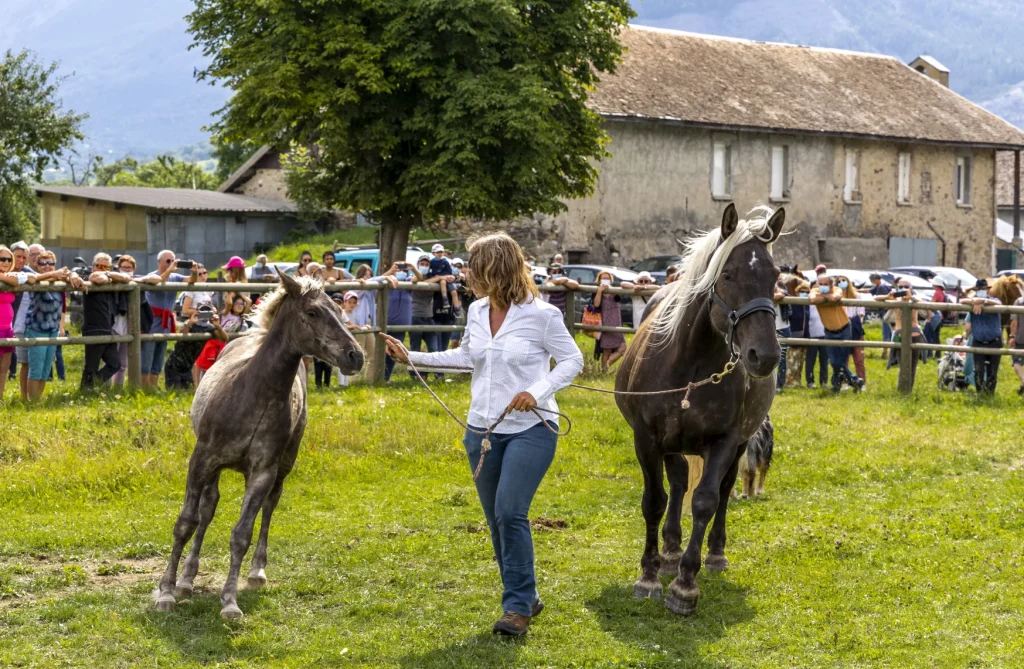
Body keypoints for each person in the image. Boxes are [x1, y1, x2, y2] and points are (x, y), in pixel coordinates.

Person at [381, 231, 583, 637]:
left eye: (474, 265)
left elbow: (573, 360)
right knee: (496, 520)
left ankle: (516, 610)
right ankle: (524, 594)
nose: (466, 273)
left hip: (532, 428)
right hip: (481, 431)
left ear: (495, 269)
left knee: (511, 512)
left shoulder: (543, 315)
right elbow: (465, 357)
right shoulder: (476, 311)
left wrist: (536, 391)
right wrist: (411, 356)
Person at [13, 243, 79, 399]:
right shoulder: (33, 277)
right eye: (43, 263)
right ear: (36, 263)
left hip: (52, 329)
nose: (47, 266)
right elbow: (33, 278)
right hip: (35, 328)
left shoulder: (58, 280)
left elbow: (67, 275)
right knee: (34, 368)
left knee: (45, 369)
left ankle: (37, 400)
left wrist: (72, 276)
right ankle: (30, 402)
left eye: (51, 263)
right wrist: (55, 274)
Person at [142, 251, 198, 389]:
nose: (171, 263)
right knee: (147, 356)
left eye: (173, 261)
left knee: (159, 356)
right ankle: (143, 388)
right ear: (159, 261)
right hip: (152, 321)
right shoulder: (152, 275)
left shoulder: (175, 276)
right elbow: (160, 281)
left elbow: (191, 280)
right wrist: (169, 271)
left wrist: (195, 272)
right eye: (168, 261)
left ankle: (153, 387)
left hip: (165, 323)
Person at [81, 253, 131, 390]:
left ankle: (91, 385)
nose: (103, 269)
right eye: (100, 266)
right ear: (93, 267)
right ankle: (85, 392)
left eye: (107, 267)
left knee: (115, 363)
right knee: (91, 366)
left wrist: (108, 275)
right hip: (93, 329)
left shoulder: (110, 278)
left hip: (108, 329)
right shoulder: (87, 279)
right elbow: (97, 278)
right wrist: (109, 275)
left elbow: (126, 277)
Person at [809, 274, 863, 392]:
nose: (822, 286)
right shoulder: (814, 290)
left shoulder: (837, 289)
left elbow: (835, 298)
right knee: (834, 361)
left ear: (831, 284)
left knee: (840, 361)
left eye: (825, 284)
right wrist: (827, 296)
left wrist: (823, 297)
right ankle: (855, 380)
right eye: (820, 284)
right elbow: (813, 299)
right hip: (829, 331)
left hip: (844, 329)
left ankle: (836, 385)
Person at [875, 278, 928, 387]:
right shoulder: (895, 301)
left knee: (912, 366)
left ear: (911, 288)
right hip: (900, 335)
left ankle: (908, 390)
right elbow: (875, 298)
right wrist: (887, 296)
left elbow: (927, 307)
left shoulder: (915, 299)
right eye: (901, 287)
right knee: (903, 366)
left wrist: (911, 297)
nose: (903, 289)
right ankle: (902, 390)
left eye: (906, 286)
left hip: (915, 334)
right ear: (897, 288)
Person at [164, 302, 227, 389]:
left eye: (207, 311)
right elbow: (181, 336)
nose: (205, 313)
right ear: (197, 312)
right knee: (175, 392)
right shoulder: (188, 323)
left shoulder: (210, 327)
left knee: (188, 393)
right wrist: (190, 322)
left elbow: (224, 338)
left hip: (188, 367)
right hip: (174, 365)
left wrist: (218, 326)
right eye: (202, 311)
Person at [962, 279, 1002, 395]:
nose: (981, 291)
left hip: (994, 341)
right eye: (979, 289)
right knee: (978, 370)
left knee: (993, 371)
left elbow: (999, 304)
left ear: (987, 290)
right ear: (976, 290)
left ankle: (990, 394)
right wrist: (974, 301)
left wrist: (982, 301)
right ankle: (980, 393)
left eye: (983, 289)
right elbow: (961, 301)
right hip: (978, 341)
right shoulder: (972, 303)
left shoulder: (994, 300)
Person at [409, 255, 441, 380]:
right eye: (422, 264)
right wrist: (413, 269)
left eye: (426, 264)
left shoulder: (433, 278)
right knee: (415, 348)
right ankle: (416, 375)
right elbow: (417, 280)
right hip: (415, 316)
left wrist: (440, 277)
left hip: (429, 317)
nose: (424, 266)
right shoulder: (415, 277)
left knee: (434, 348)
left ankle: (437, 374)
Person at [383, 261, 414, 382]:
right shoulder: (390, 281)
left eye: (404, 269)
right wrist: (391, 271)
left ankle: (386, 377)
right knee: (383, 351)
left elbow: (420, 278)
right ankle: (378, 376)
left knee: (393, 352)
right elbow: (377, 280)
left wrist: (413, 268)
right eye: (399, 269)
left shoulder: (409, 282)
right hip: (388, 323)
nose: (402, 271)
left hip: (402, 323)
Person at [0, 245, 22, 399]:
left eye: (9, 259)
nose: (6, 262)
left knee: (4, 368)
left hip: (8, 328)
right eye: (2, 259)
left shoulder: (9, 277)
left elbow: (16, 282)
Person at [593, 270, 626, 373]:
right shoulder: (597, 291)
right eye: (603, 278)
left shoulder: (615, 292)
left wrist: (611, 290)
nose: (605, 280)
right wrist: (599, 291)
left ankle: (606, 366)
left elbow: (625, 287)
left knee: (623, 348)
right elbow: (596, 304)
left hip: (616, 322)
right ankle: (603, 372)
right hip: (605, 323)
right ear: (599, 280)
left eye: (607, 278)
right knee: (606, 350)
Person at [838, 274, 867, 388]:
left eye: (843, 280)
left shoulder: (857, 296)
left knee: (859, 360)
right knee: (843, 360)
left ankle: (861, 382)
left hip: (855, 330)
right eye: (839, 281)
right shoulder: (837, 297)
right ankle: (845, 382)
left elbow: (860, 313)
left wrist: (848, 320)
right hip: (842, 330)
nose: (841, 283)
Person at [785, 278, 810, 388]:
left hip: (805, 336)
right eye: (802, 291)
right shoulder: (793, 304)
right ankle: (790, 382)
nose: (804, 293)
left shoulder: (807, 306)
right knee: (792, 362)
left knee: (800, 361)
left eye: (807, 292)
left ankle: (797, 381)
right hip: (794, 335)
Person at [804, 297, 828, 389]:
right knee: (810, 360)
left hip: (825, 335)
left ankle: (824, 381)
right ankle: (810, 381)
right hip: (811, 336)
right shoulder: (808, 305)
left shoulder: (826, 304)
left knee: (824, 360)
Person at [773, 279, 791, 391]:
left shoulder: (782, 290)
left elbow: (782, 294)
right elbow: (775, 296)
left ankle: (780, 384)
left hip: (783, 327)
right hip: (770, 328)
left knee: (782, 358)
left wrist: (778, 292)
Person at [868, 273, 893, 347]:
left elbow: (882, 297)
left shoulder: (881, 287)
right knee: (889, 329)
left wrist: (877, 298)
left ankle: (886, 347)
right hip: (888, 311)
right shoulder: (881, 286)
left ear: (875, 280)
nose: (872, 282)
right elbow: (870, 290)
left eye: (872, 280)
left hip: (886, 311)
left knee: (886, 330)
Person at [428, 243, 454, 309]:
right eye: (437, 252)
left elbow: (449, 271)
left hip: (444, 278)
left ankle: (445, 298)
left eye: (441, 252)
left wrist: (443, 276)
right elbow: (428, 271)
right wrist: (433, 276)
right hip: (434, 278)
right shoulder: (431, 261)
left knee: (443, 282)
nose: (439, 254)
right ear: (433, 253)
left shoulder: (445, 261)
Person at [1009, 294, 1024, 395]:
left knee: (1016, 362)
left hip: (1021, 337)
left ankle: (1023, 380)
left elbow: (1014, 322)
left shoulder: (1019, 301)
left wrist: (1012, 336)